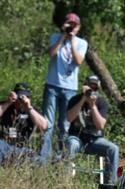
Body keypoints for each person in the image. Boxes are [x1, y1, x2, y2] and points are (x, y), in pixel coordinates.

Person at [40, 12, 88, 162]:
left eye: (74, 25)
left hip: (70, 88)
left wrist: (72, 39)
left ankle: (60, 155)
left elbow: (79, 61)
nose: (71, 27)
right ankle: (45, 155)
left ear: (78, 27)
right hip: (52, 86)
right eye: (69, 24)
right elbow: (51, 53)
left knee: (65, 123)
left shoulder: (81, 43)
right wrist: (62, 36)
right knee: (48, 122)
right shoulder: (55, 37)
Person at [65, 75, 119, 183]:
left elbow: (100, 126)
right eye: (90, 87)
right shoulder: (75, 100)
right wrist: (83, 99)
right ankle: (67, 180)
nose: (92, 90)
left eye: (95, 88)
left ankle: (111, 183)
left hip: (94, 140)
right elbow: (70, 118)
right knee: (72, 144)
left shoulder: (101, 102)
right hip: (77, 138)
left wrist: (93, 106)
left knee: (113, 149)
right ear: (85, 86)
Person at [0, 83, 48, 166]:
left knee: (42, 161)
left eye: (24, 96)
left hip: (23, 148)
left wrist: (28, 108)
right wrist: (8, 102)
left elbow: (44, 126)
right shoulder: (5, 106)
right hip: (3, 144)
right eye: (19, 96)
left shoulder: (32, 110)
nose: (20, 100)